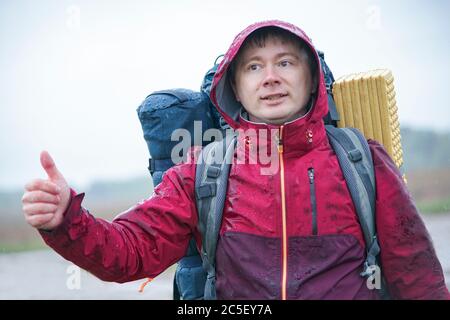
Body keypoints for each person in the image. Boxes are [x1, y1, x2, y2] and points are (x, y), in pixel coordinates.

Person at [22, 20, 449, 300]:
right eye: (253, 67)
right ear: (235, 88)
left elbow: (419, 279)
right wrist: (65, 221)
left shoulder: (363, 162)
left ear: (311, 78)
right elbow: (129, 252)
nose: (271, 78)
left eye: (286, 62)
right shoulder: (203, 170)